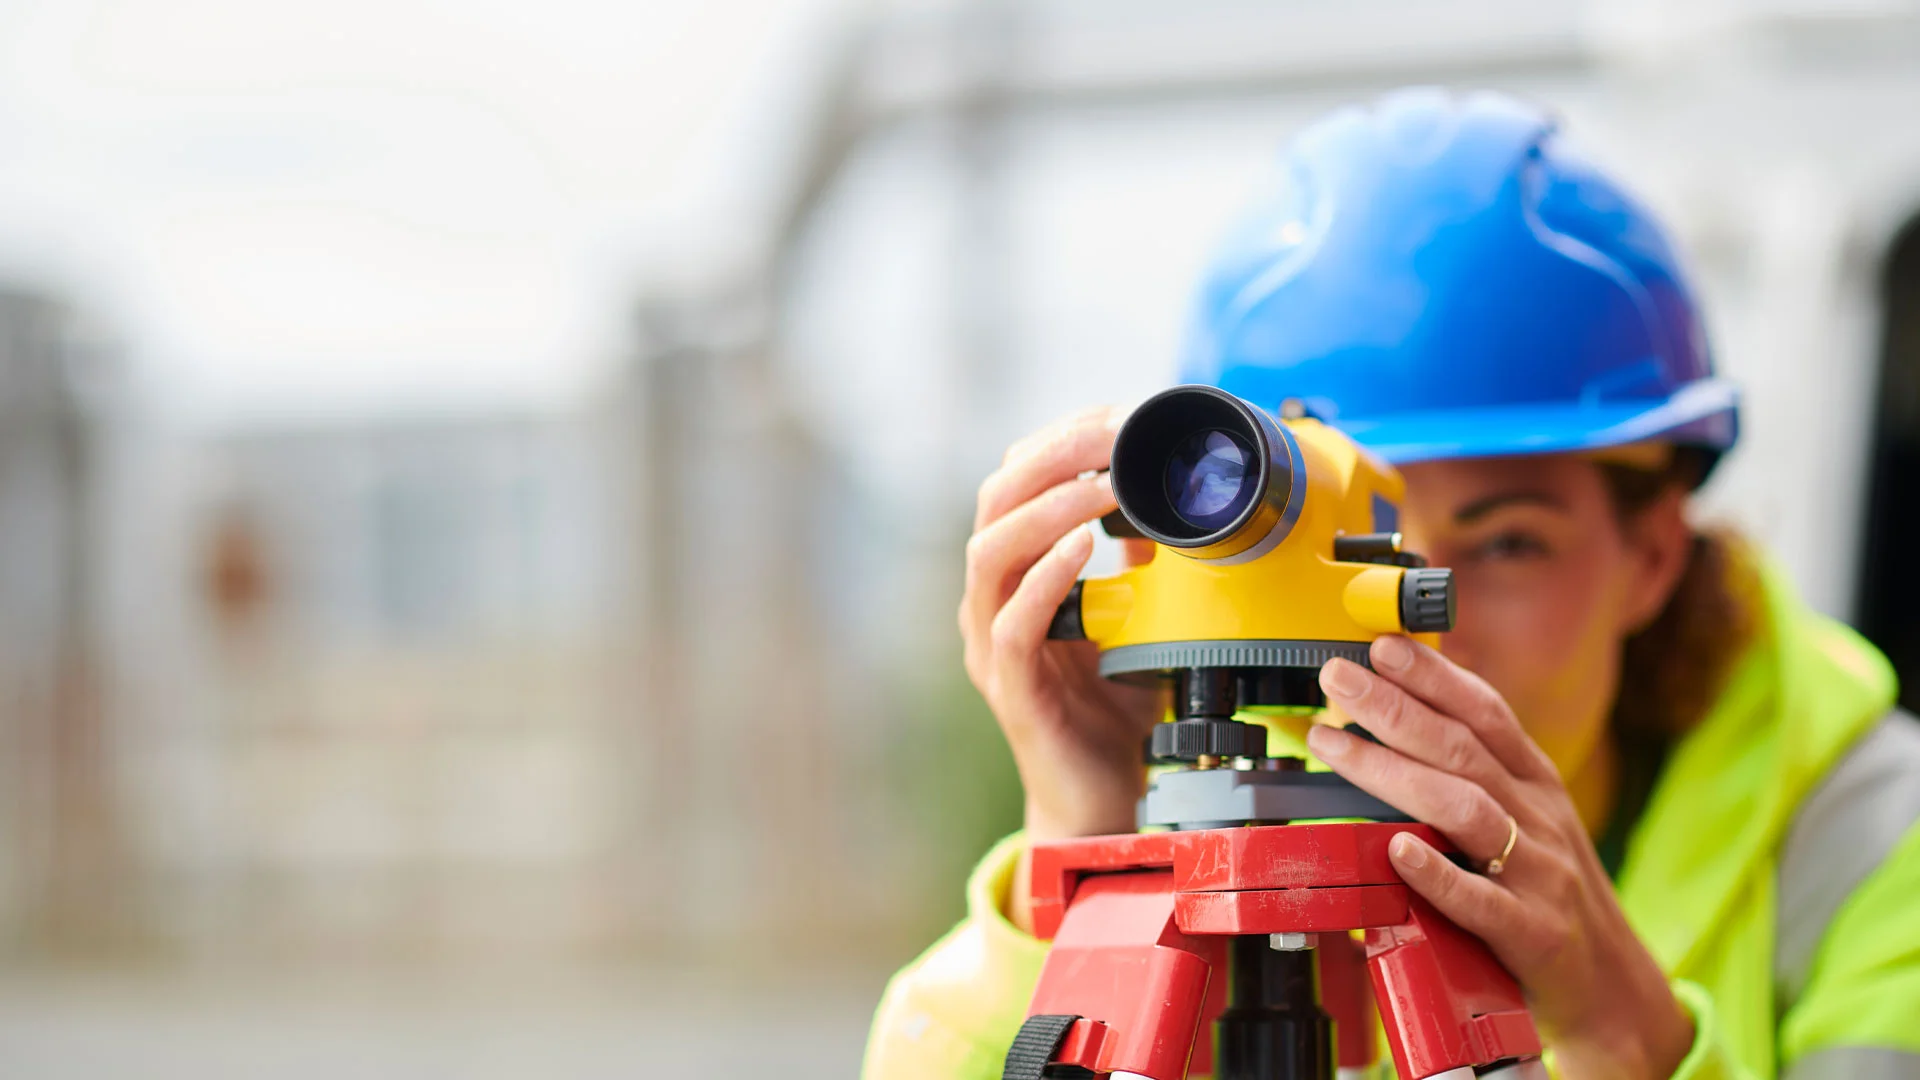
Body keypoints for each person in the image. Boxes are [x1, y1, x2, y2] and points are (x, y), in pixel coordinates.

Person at [862, 88, 1920, 1079]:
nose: (1413, 633)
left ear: (1651, 555)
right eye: (1348, 545)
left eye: (1504, 542)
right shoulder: (1209, 840)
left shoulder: (1879, 851)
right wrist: (1086, 846)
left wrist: (1617, 1024)